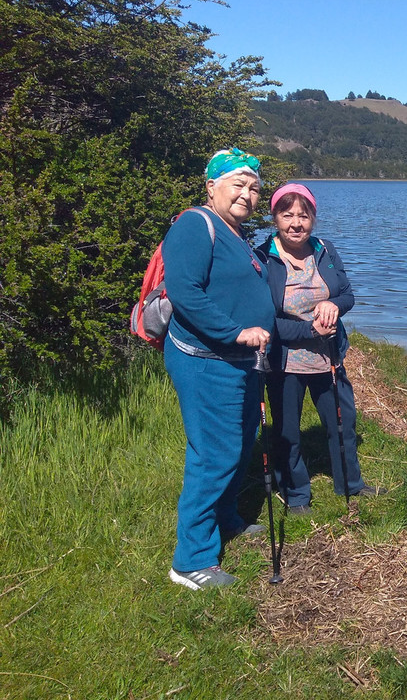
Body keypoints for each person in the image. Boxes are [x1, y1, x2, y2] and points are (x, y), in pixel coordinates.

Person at [162, 148, 275, 590]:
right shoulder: (195, 224)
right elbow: (185, 292)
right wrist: (235, 333)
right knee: (214, 455)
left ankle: (224, 519)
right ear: (211, 187)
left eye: (254, 188)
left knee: (239, 443)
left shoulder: (236, 232)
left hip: (239, 363)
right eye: (238, 184)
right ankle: (191, 561)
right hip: (207, 362)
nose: (247, 194)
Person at [256, 183, 373, 513]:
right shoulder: (264, 259)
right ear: (275, 218)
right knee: (287, 432)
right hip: (286, 362)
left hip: (329, 356)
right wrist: (309, 328)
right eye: (287, 215)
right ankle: (296, 495)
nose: (296, 223)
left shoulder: (326, 250)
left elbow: (347, 294)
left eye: (303, 216)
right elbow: (267, 321)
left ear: (313, 218)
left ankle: (351, 483)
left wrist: (334, 306)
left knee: (342, 422)